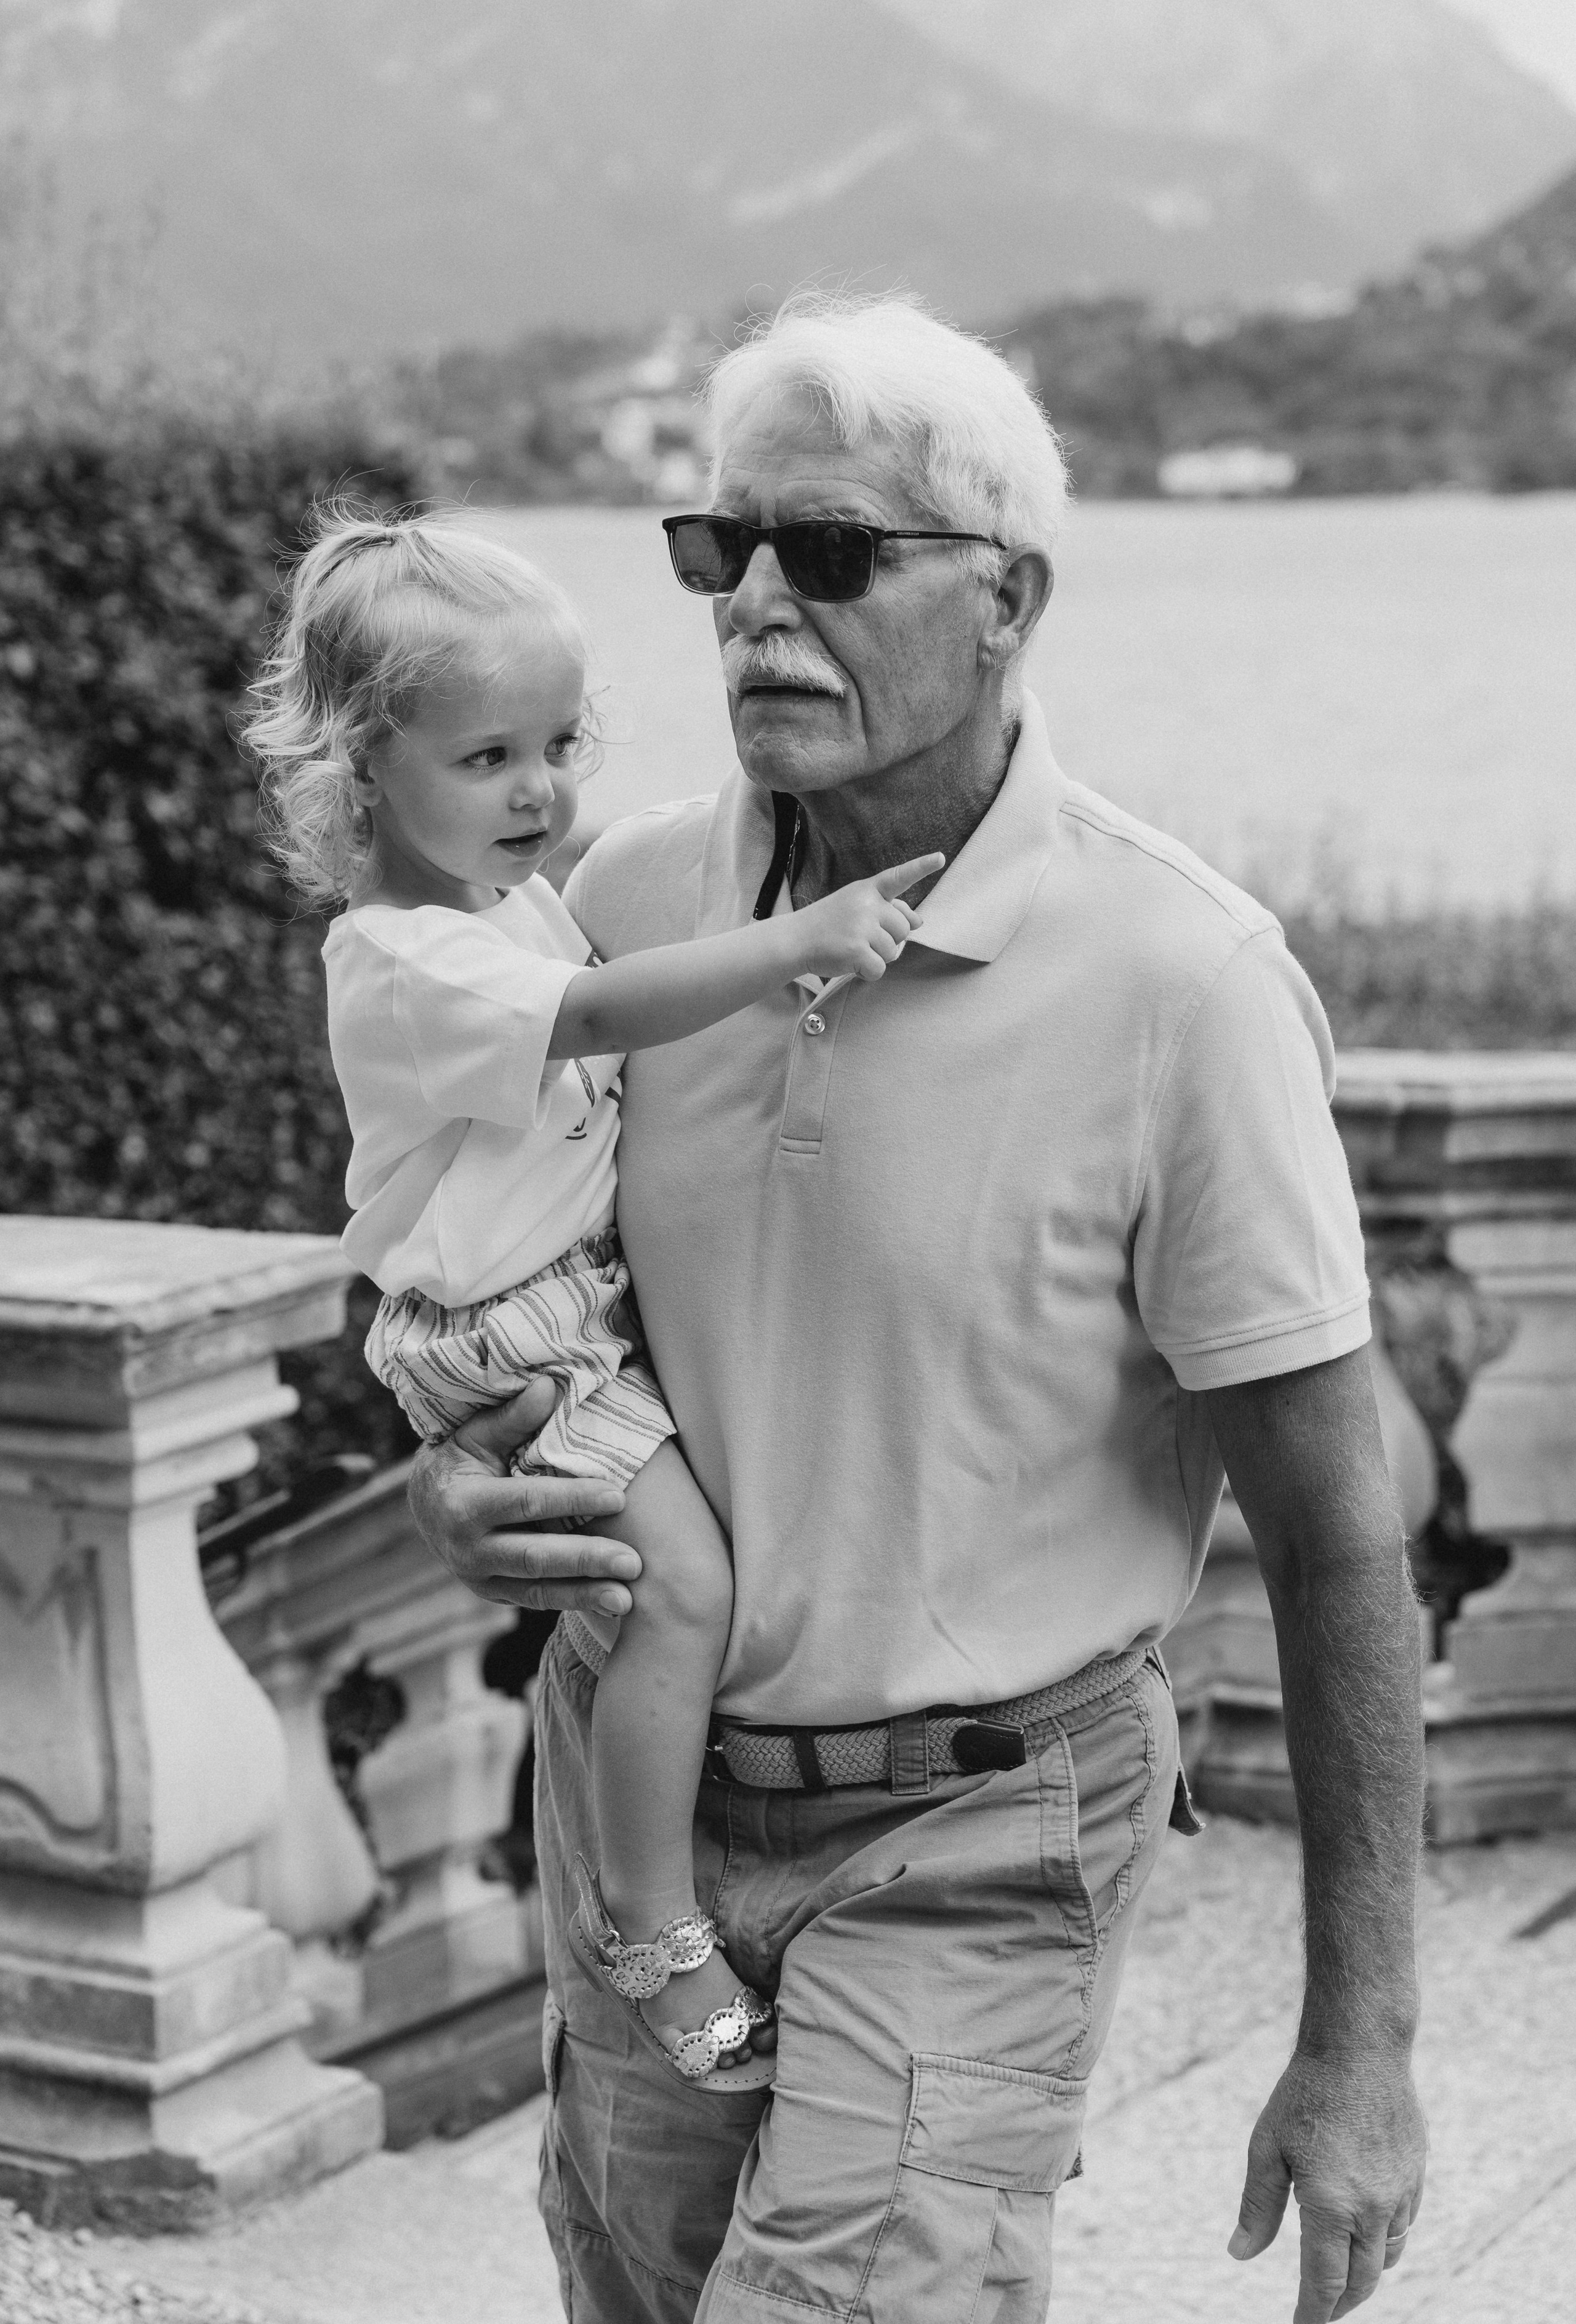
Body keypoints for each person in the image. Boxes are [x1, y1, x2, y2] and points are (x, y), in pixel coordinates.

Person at [405, 296, 1429, 2324]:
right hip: (635, 1809)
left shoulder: (1185, 984)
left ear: (1007, 602)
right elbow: (492, 1283)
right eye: (724, 551)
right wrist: (457, 1483)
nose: (757, 603)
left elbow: (1336, 1534)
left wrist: (1362, 2049)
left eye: (836, 554)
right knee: (642, 2289)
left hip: (986, 1834)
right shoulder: (615, 917)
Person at [244, 510, 940, 2085]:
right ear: (363, 778)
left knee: (649, 1597)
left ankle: (644, 1880)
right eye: (487, 757)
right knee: (681, 1595)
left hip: (558, 1302)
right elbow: (593, 1014)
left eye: (561, 743)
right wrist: (794, 943)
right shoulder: (406, 958)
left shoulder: (508, 903)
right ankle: (648, 1920)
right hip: (516, 1326)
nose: (542, 790)